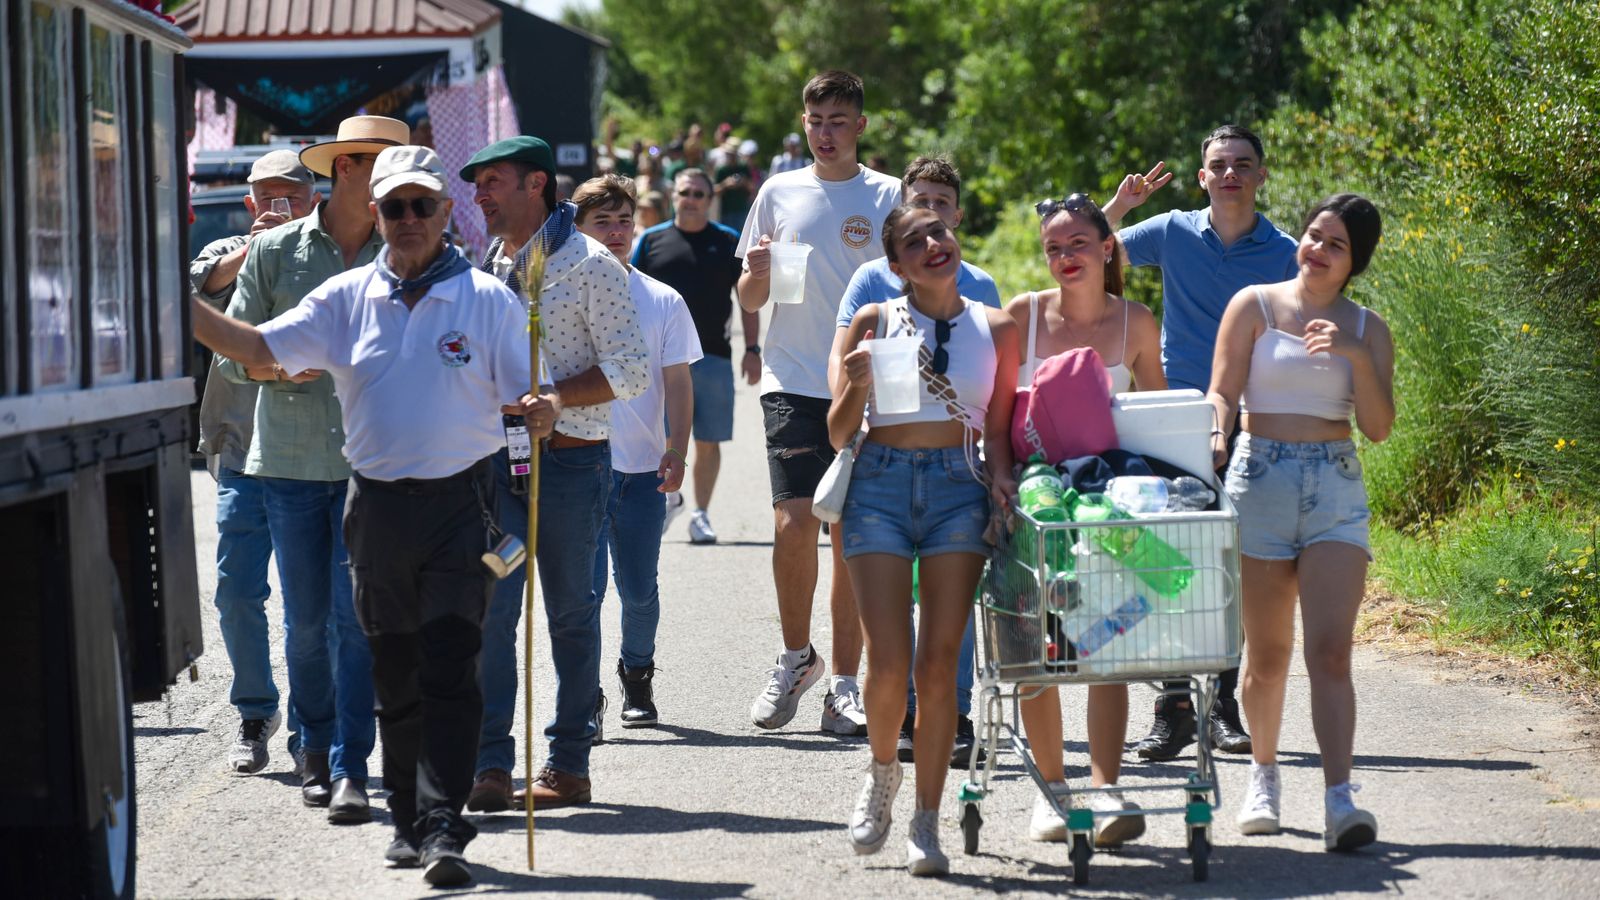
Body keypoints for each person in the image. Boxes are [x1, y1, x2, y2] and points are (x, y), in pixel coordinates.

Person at [191, 144, 544, 888]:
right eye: (395, 207)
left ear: (447, 213)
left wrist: (538, 413)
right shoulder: (346, 297)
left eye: (423, 205)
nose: (409, 219)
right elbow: (257, 348)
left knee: (452, 664)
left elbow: (522, 399)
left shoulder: (486, 299)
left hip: (461, 504)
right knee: (394, 668)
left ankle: (446, 827)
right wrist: (178, 304)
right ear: (376, 215)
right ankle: (410, 824)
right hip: (376, 508)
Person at [218, 116, 409, 821]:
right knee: (305, 622)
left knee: (355, 622)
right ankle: (310, 747)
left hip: (375, 464)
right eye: (380, 164)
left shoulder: (405, 249)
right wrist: (277, 367)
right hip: (291, 463)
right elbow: (233, 350)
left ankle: (350, 763)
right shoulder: (275, 250)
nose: (397, 186)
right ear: (347, 168)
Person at [459, 136, 650, 812]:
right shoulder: (491, 261)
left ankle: (568, 764)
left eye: (492, 181)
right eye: (477, 183)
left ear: (535, 182)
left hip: (570, 467)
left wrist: (557, 400)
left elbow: (630, 370)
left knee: (570, 616)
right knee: (491, 613)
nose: (479, 194)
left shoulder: (593, 264)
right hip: (498, 468)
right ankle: (488, 766)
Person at [831, 204, 1018, 876]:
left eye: (939, 232)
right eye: (915, 241)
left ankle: (925, 820)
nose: (933, 244)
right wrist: (856, 386)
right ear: (897, 265)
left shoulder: (997, 326)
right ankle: (883, 774)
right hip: (877, 484)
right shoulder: (873, 322)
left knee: (939, 667)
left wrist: (1003, 484)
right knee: (888, 665)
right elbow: (836, 429)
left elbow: (998, 430)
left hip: (958, 489)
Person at [1102, 123, 1298, 760]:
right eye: (1219, 164)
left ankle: (1220, 707)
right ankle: (1173, 709)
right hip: (1176, 415)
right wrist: (1121, 206)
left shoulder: (1285, 250)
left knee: (1229, 562)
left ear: (1261, 175)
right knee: (1169, 561)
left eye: (1243, 164)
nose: (1231, 174)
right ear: (1202, 177)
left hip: (1252, 418)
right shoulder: (1174, 230)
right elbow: (1091, 256)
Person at [1209, 193, 1393, 851]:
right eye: (1315, 235)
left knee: (1331, 651)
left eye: (1335, 244)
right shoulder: (1254, 305)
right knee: (1267, 652)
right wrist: (1214, 436)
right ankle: (1263, 776)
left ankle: (1340, 801)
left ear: (1354, 263)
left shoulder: (1368, 329)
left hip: (1335, 485)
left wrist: (1353, 354)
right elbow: (1223, 390)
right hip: (1259, 477)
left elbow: (1377, 427)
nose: (1317, 248)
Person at [736, 70, 902, 736]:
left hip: (869, 383)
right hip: (793, 376)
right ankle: (796, 656)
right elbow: (749, 298)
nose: (827, 132)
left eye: (839, 120)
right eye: (816, 121)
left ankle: (842, 687)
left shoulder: (889, 195)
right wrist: (757, 275)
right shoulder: (778, 191)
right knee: (794, 523)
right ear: (804, 125)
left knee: (851, 539)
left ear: (861, 125)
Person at [1005, 192, 1167, 849]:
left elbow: (1159, 421)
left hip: (1109, 514)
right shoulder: (1022, 319)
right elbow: (997, 416)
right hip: (1037, 508)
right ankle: (1051, 792)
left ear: (1107, 248)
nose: (1065, 257)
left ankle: (1104, 789)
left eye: (1078, 244)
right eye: (1053, 248)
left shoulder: (1136, 323)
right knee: (1036, 653)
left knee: (1108, 651)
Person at [191, 149, 318, 776]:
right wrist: (255, 246)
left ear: (313, 198)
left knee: (309, 600)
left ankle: (308, 726)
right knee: (237, 590)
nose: (277, 207)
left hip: (313, 449)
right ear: (249, 203)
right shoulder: (227, 252)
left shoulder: (324, 254)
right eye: (265, 197)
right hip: (243, 446)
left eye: (289, 197)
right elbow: (197, 290)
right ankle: (254, 710)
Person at [573, 174, 702, 728]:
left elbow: (677, 383)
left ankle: (637, 674)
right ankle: (585, 698)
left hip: (642, 473)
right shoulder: (561, 295)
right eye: (602, 221)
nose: (617, 231)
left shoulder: (662, 299)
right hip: (577, 466)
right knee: (584, 593)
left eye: (624, 220)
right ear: (577, 227)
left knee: (639, 591)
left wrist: (677, 448)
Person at [633, 168, 761, 545]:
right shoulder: (651, 241)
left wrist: (752, 350)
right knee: (663, 436)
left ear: (710, 200)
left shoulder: (727, 241)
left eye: (699, 194)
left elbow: (748, 302)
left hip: (713, 356)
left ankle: (700, 513)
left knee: (709, 439)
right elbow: (630, 294)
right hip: (659, 360)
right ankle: (669, 499)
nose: (691, 199)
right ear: (673, 195)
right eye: (685, 192)